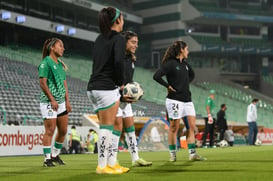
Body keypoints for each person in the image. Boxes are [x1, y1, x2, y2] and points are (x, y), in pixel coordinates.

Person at [86, 7, 127, 174]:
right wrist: (121, 82)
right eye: (122, 18)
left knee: (110, 126)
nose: (123, 21)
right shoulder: (119, 38)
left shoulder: (99, 38)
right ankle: (102, 166)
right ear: (117, 20)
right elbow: (118, 62)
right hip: (106, 88)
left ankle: (112, 163)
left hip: (93, 87)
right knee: (107, 127)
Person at [153, 40, 206, 162]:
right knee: (174, 127)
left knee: (191, 127)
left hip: (187, 100)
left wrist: (184, 84)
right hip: (174, 100)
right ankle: (172, 154)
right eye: (187, 49)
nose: (188, 51)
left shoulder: (186, 64)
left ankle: (192, 154)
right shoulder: (170, 64)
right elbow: (156, 76)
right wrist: (167, 86)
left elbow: (192, 75)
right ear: (181, 50)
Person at [110, 31, 152, 168]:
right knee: (116, 128)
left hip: (124, 99)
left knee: (130, 129)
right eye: (133, 42)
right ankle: (113, 159)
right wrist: (120, 93)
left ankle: (135, 158)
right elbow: (110, 79)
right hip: (114, 96)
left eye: (137, 43)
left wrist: (134, 90)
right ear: (125, 42)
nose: (136, 45)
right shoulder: (116, 57)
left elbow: (127, 81)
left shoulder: (130, 59)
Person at [38, 38, 72, 167]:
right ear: (52, 48)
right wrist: (52, 99)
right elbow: (42, 82)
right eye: (60, 46)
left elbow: (64, 85)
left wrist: (67, 101)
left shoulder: (60, 65)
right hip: (48, 101)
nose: (63, 48)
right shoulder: (45, 62)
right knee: (50, 130)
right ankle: (47, 159)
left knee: (63, 130)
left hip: (61, 102)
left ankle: (55, 155)